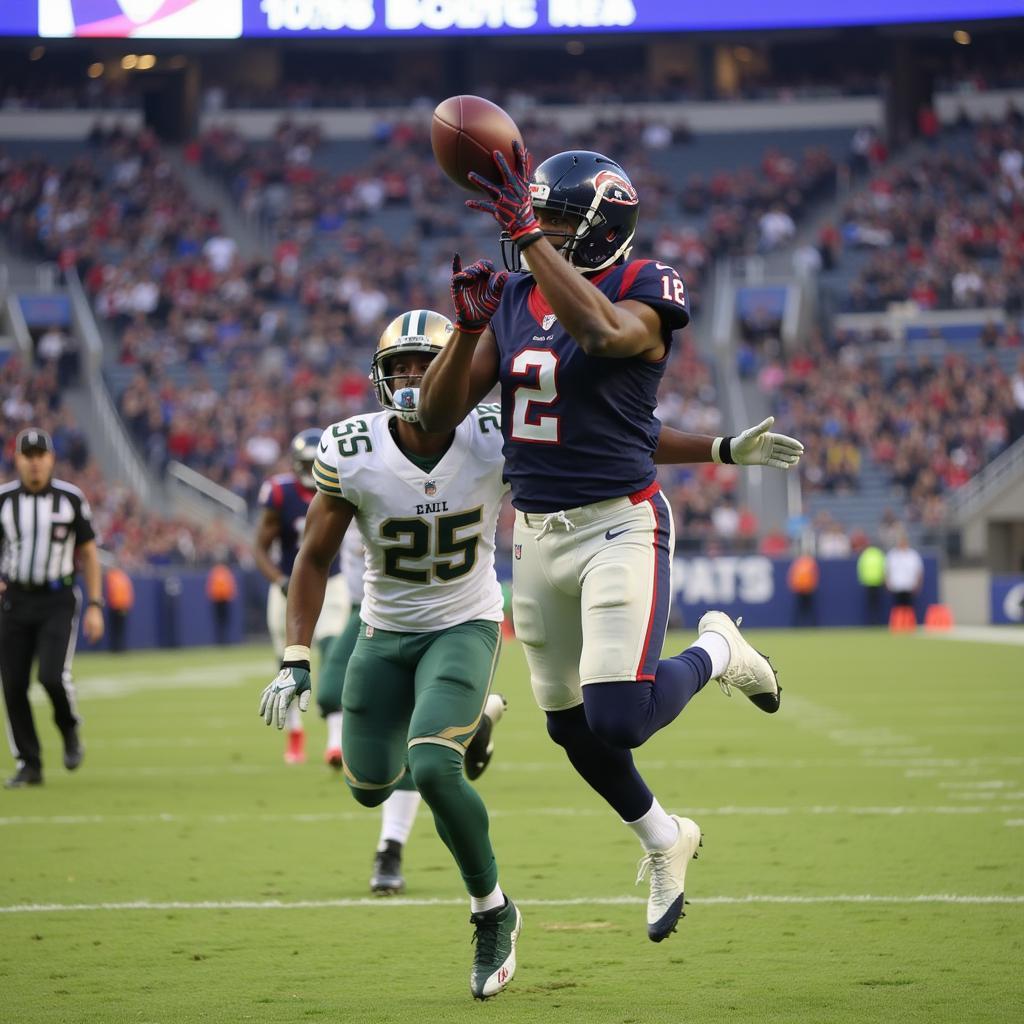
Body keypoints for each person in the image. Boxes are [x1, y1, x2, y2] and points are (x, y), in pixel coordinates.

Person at [418, 144, 803, 945]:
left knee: (618, 716)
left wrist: (529, 244)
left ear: (599, 228)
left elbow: (599, 336)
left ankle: (716, 650)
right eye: (536, 219)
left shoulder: (645, 285)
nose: (538, 232)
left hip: (618, 525)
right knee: (568, 728)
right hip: (534, 535)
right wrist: (465, 328)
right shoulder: (521, 292)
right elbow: (434, 417)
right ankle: (666, 837)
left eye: (556, 220)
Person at [259, 310, 520, 999]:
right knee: (369, 782)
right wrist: (295, 654)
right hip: (382, 632)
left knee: (432, 765)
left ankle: (492, 910)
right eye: (400, 366)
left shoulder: (494, 436)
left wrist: (718, 450)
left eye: (424, 365)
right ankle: (473, 723)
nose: (411, 377)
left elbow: (603, 448)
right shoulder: (352, 448)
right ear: (380, 376)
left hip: (465, 622)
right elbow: (311, 558)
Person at [314, 527, 509, 895]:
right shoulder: (350, 476)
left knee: (422, 750)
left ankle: (390, 849)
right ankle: (474, 718)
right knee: (366, 778)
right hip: (375, 614)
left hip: (448, 617)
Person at [0, 428, 104, 788]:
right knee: (13, 684)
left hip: (57, 599)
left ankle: (69, 727)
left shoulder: (70, 499)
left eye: (39, 455)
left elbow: (89, 553)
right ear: (17, 459)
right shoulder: (4, 500)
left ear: (51, 458)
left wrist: (94, 603)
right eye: (27, 455)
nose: (33, 462)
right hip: (14, 599)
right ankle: (30, 764)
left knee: (50, 675)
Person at [253, 430, 350, 764]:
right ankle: (295, 730)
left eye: (316, 463)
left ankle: (336, 738)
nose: (311, 471)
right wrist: (279, 579)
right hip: (291, 585)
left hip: (334, 581)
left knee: (332, 652)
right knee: (288, 661)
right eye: (305, 464)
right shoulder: (280, 493)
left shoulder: (342, 482)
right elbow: (260, 548)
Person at [885, 532, 924, 613]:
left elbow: (919, 571)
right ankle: (899, 623)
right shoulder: (892, 554)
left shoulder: (913, 555)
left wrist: (918, 584)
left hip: (909, 586)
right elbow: (887, 570)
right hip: (897, 586)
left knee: (909, 608)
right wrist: (888, 583)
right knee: (898, 608)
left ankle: (908, 623)